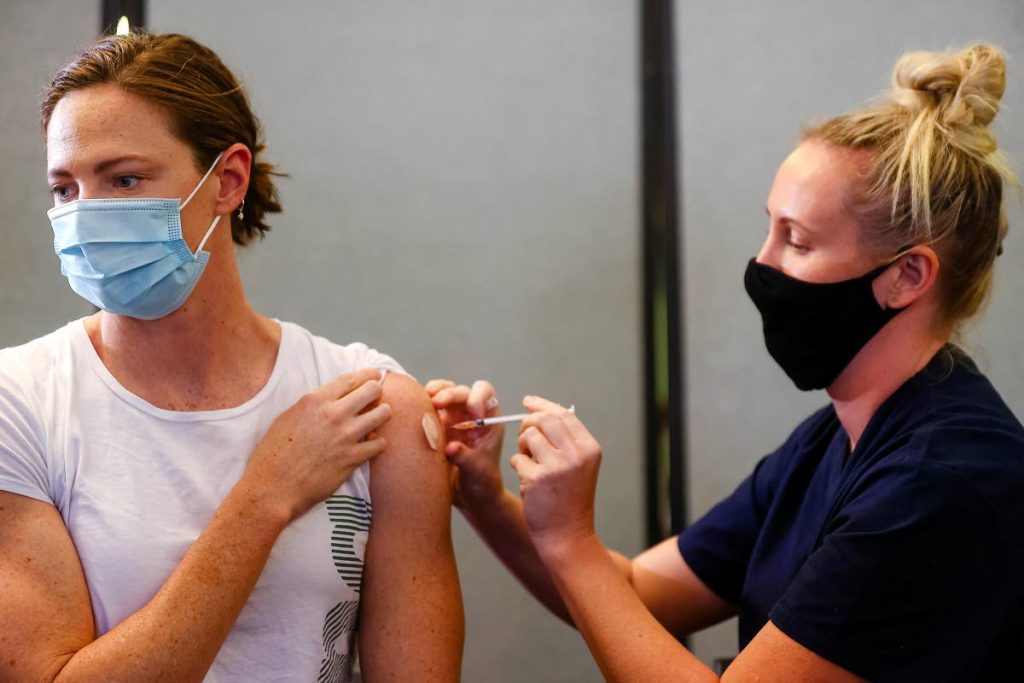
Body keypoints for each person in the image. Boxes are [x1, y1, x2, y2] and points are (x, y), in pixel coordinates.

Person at [429, 44, 1024, 681]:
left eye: (796, 240)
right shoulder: (834, 439)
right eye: (770, 228)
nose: (762, 264)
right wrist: (487, 496)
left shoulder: (942, 481)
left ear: (907, 275)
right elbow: (640, 594)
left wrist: (569, 538)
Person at [0, 32, 462, 682]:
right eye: (65, 189)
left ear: (228, 179)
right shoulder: (19, 405)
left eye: (124, 178)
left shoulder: (375, 411)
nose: (85, 216)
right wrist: (266, 491)